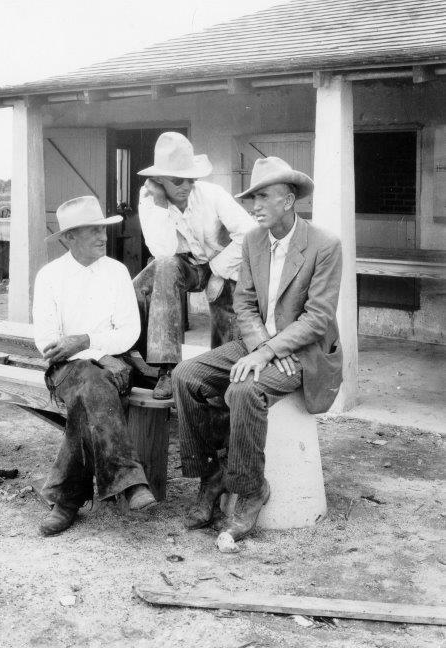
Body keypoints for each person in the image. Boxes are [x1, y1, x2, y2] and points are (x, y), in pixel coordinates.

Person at [172, 156, 343, 542]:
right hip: (257, 344)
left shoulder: (325, 245)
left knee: (244, 389)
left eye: (263, 196)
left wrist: (266, 353)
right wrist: (263, 347)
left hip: (307, 352)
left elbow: (317, 319)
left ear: (288, 199)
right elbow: (244, 305)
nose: (254, 206)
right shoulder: (252, 241)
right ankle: (212, 475)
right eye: (252, 198)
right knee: (186, 376)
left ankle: (251, 490)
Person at [32, 195, 156, 537]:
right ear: (69, 238)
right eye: (91, 232)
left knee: (91, 390)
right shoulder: (50, 277)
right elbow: (48, 343)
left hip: (115, 366)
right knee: (90, 383)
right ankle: (129, 481)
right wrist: (92, 350)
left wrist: (87, 341)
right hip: (67, 371)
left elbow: (129, 332)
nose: (102, 237)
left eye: (102, 230)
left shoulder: (117, 272)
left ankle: (66, 500)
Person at [133, 131, 257, 399]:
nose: (186, 186)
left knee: (229, 325)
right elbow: (162, 251)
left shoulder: (213, 194)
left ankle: (219, 383)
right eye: (178, 180)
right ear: (158, 181)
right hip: (182, 266)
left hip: (222, 263)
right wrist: (159, 204)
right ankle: (167, 369)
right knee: (155, 273)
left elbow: (250, 233)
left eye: (191, 178)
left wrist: (218, 271)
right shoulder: (151, 201)